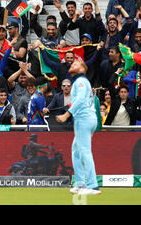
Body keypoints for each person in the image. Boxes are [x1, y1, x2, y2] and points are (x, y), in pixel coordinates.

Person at [56, 60, 101, 195]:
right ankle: (80, 183)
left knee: (84, 151)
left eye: (76, 64)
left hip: (84, 118)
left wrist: (66, 115)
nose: (72, 65)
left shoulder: (81, 81)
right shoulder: (80, 82)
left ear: (82, 68)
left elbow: (81, 100)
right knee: (76, 150)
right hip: (86, 118)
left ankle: (93, 186)